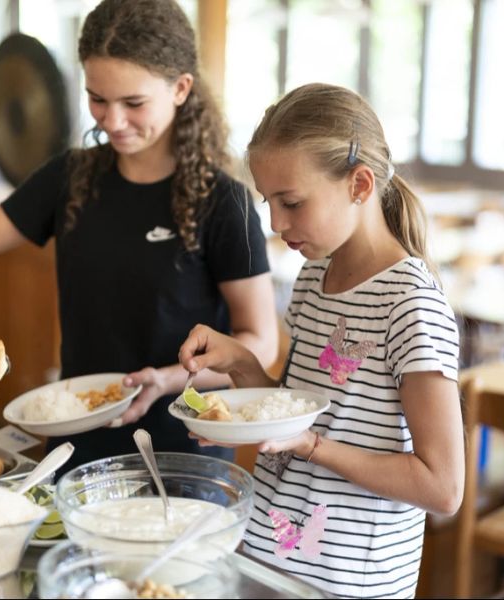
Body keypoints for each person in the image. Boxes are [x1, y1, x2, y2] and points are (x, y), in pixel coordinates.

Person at [0, 0, 278, 469]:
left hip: (185, 445)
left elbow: (260, 341)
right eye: (97, 99)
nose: (112, 121)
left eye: (133, 103)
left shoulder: (224, 201)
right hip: (77, 441)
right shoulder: (69, 177)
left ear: (180, 88)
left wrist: (169, 379)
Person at [178, 83, 464, 599]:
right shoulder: (313, 278)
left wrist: (313, 447)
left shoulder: (412, 305)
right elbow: (302, 414)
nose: (276, 224)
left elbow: (442, 488)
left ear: (359, 184)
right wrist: (244, 369)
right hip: (268, 560)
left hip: (346, 584)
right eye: (268, 202)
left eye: (291, 202)